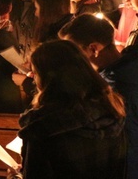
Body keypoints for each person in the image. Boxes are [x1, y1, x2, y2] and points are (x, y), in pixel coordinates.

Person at [16, 40, 126, 179]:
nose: (34, 80)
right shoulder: (111, 111)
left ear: (47, 79)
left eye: (35, 73)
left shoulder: (42, 127)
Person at [59, 14, 138, 178]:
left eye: (74, 52)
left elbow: (126, 147)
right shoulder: (129, 70)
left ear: (93, 49)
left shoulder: (114, 89)